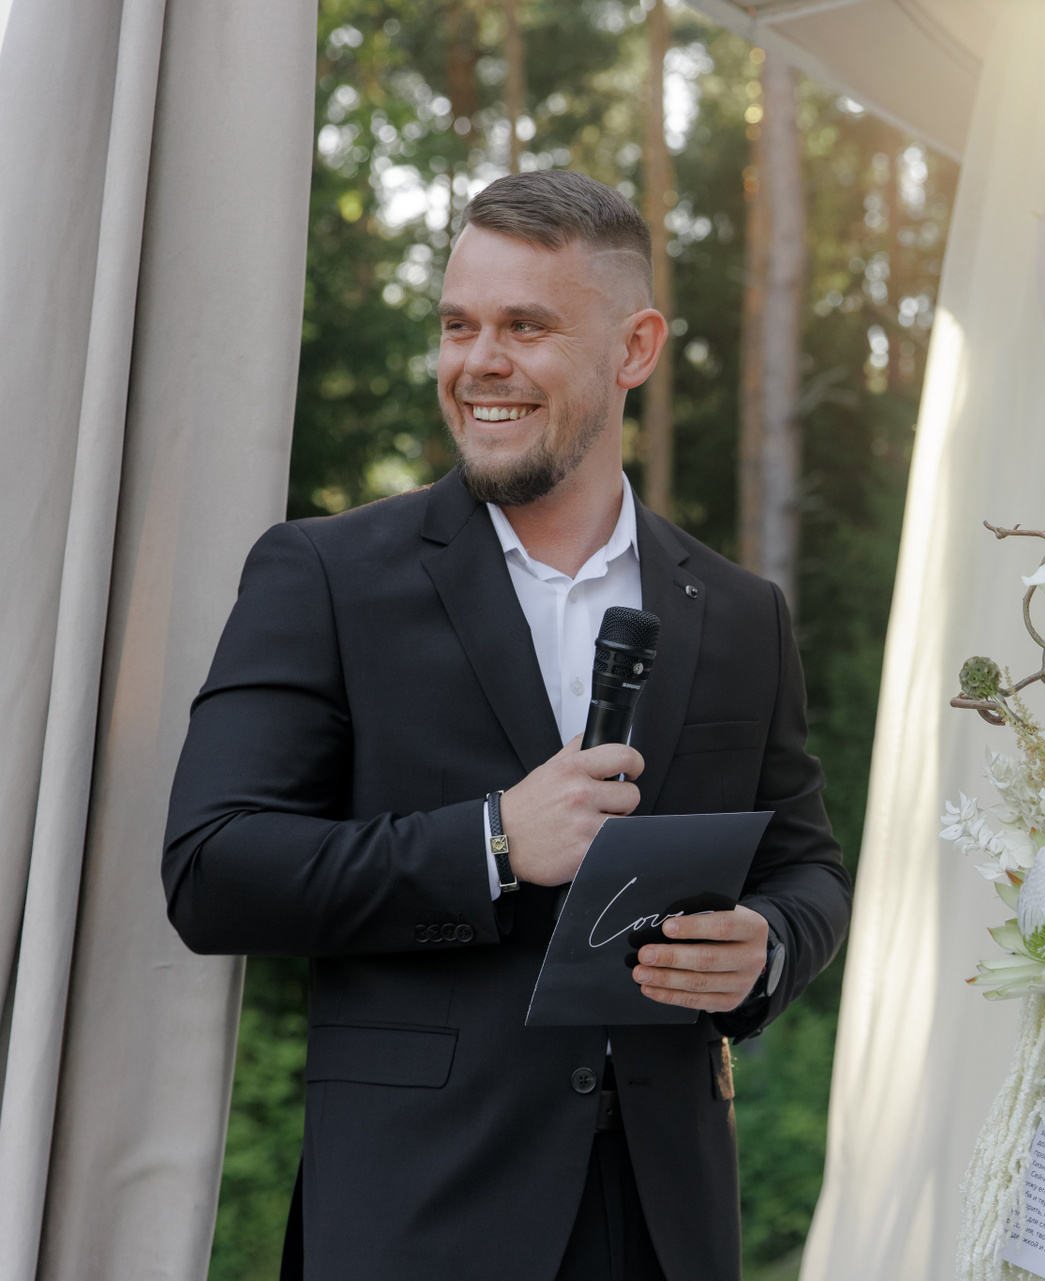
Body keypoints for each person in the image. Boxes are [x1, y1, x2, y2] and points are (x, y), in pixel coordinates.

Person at [163, 169, 850, 1281]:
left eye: (526, 326)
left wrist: (767, 947)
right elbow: (212, 867)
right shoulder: (325, 575)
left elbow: (808, 869)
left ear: (634, 349)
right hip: (420, 1219)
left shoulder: (739, 613)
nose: (478, 362)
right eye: (458, 326)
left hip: (665, 1228)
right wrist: (489, 842)